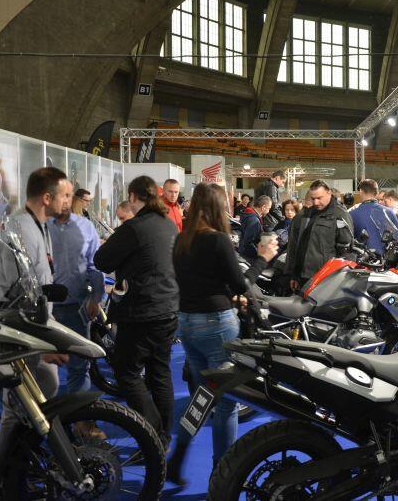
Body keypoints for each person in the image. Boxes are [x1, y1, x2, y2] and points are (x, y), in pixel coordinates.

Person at [166, 183, 277, 484]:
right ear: (218, 207)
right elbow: (242, 284)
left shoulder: (182, 239)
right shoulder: (217, 240)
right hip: (216, 324)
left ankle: (179, 456)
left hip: (188, 323)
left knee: (203, 394)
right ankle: (224, 474)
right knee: (227, 402)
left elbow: (204, 280)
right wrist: (263, 258)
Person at [0, 168, 72, 484]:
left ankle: (20, 470)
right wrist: (41, 344)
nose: (68, 201)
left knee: (36, 402)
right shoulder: (21, 229)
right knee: (16, 411)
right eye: (65, 195)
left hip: (31, 331)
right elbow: (21, 296)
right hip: (23, 335)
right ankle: (6, 482)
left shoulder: (35, 225)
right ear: (47, 197)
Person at [94, 175, 179, 448]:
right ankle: (163, 436)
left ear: (132, 196)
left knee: (127, 372)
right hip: (168, 308)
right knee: (160, 372)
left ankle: (153, 436)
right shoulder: (168, 224)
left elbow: (101, 260)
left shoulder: (134, 228)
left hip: (141, 311)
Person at [47, 183, 105, 417]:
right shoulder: (39, 226)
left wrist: (96, 297)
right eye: (60, 196)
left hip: (76, 305)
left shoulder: (85, 226)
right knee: (42, 370)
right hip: (42, 309)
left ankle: (80, 420)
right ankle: (43, 423)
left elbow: (94, 264)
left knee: (80, 365)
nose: (64, 201)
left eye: (68, 196)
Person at [286, 180, 353, 290]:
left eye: (319, 198)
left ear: (329, 193)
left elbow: (347, 250)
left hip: (327, 279)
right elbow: (297, 245)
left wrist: (340, 278)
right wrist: (294, 274)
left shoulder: (340, 215)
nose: (316, 202)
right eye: (313, 199)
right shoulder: (306, 214)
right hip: (304, 277)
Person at [348, 179, 398, 256]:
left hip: (363, 259)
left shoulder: (351, 214)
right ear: (377, 193)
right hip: (387, 260)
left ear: (361, 191)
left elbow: (349, 242)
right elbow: (397, 240)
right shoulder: (389, 212)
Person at [238, 195, 272, 261]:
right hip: (249, 257)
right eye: (269, 208)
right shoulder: (254, 220)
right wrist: (260, 255)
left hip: (243, 253)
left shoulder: (248, 215)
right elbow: (248, 243)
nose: (268, 211)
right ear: (263, 207)